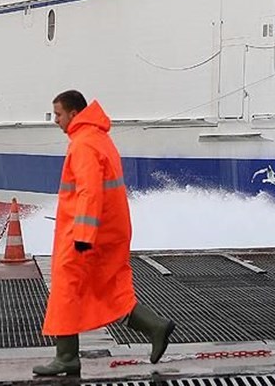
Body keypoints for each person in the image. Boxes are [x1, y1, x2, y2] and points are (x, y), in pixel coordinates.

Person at [33, 90, 176, 376]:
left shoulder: (83, 144)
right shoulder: (99, 138)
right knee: (107, 289)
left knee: (66, 287)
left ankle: (66, 357)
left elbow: (89, 192)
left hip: (87, 233)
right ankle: (155, 327)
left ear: (74, 114)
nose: (55, 120)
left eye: (58, 114)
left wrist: (83, 237)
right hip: (109, 230)